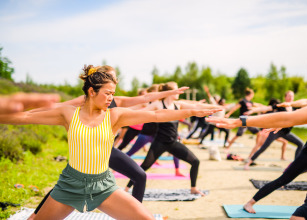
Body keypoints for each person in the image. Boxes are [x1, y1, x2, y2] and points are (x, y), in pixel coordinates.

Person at [0, 65, 217, 219]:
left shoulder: (114, 116)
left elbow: (157, 116)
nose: (111, 98)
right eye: (107, 93)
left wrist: (191, 111)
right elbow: (26, 117)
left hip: (103, 186)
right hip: (70, 184)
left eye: (113, 93)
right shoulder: (68, 114)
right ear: (92, 91)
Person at [28, 77, 190, 220]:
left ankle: (130, 212)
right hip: (83, 163)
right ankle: (37, 214)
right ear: (93, 90)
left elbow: (146, 98)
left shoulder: (116, 101)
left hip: (105, 154)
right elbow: (58, 106)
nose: (111, 93)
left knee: (139, 174)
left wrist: (175, 97)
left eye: (113, 89)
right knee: (66, 184)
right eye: (110, 84)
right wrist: (28, 112)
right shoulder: (81, 103)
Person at [206, 95, 307, 215]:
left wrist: (291, 106)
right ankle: (250, 202)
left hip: (295, 139)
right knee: (282, 179)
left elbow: (298, 110)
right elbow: (295, 111)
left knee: (297, 144)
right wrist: (240, 121)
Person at [126, 81, 221, 196]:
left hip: (173, 142)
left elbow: (196, 106)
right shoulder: (159, 104)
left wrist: (215, 107)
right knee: (144, 167)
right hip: (159, 143)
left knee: (195, 161)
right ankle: (126, 189)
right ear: (170, 92)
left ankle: (193, 188)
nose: (179, 92)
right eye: (177, 90)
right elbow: (141, 112)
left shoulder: (178, 104)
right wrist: (124, 115)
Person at [243, 96, 303, 169]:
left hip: (286, 133)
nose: (290, 98)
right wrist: (254, 110)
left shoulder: (294, 108)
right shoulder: (281, 106)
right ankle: (249, 162)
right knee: (263, 147)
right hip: (276, 131)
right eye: (289, 96)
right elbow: (267, 108)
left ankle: (295, 165)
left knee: (300, 144)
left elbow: (306, 105)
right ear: (285, 97)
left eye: (292, 96)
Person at [224, 88, 261, 153]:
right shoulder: (243, 101)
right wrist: (228, 114)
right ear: (251, 94)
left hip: (249, 120)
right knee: (238, 135)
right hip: (243, 120)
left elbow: (257, 106)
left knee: (258, 133)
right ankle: (228, 147)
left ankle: (256, 149)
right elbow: (235, 108)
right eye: (253, 94)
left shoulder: (250, 102)